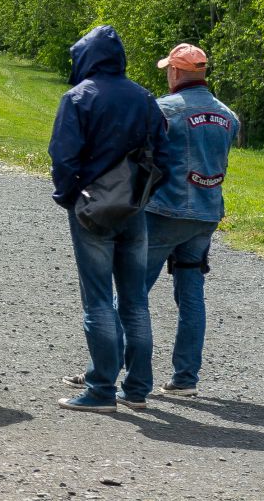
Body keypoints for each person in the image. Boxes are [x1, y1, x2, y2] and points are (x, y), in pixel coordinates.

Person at [48, 24, 182, 412]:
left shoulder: (78, 98)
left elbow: (64, 157)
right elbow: (164, 157)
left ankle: (101, 389)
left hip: (92, 208)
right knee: (135, 301)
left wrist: (70, 198)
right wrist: (142, 195)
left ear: (86, 57)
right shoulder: (144, 97)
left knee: (98, 301)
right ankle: (137, 389)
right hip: (134, 208)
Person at [141, 43, 239, 397]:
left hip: (165, 212)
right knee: (191, 294)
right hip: (207, 212)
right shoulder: (229, 116)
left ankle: (111, 371)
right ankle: (185, 378)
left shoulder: (163, 111)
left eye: (169, 69)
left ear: (177, 72)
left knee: (133, 292)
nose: (167, 74)